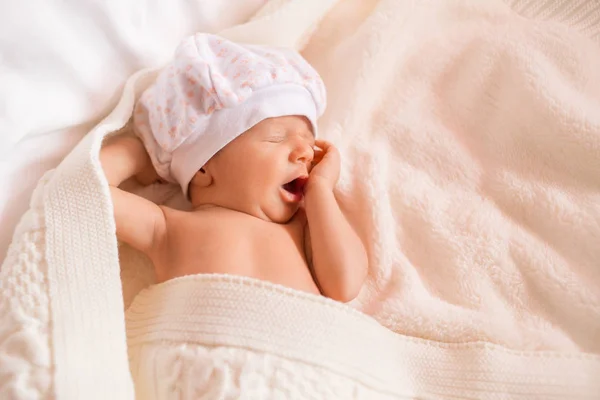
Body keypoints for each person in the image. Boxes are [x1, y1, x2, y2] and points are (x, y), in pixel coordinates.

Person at [100, 33, 367, 302]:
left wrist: (321, 191)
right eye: (277, 138)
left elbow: (346, 285)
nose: (306, 153)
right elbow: (88, 189)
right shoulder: (165, 228)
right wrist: (140, 153)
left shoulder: (303, 230)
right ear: (203, 167)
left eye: (310, 146)